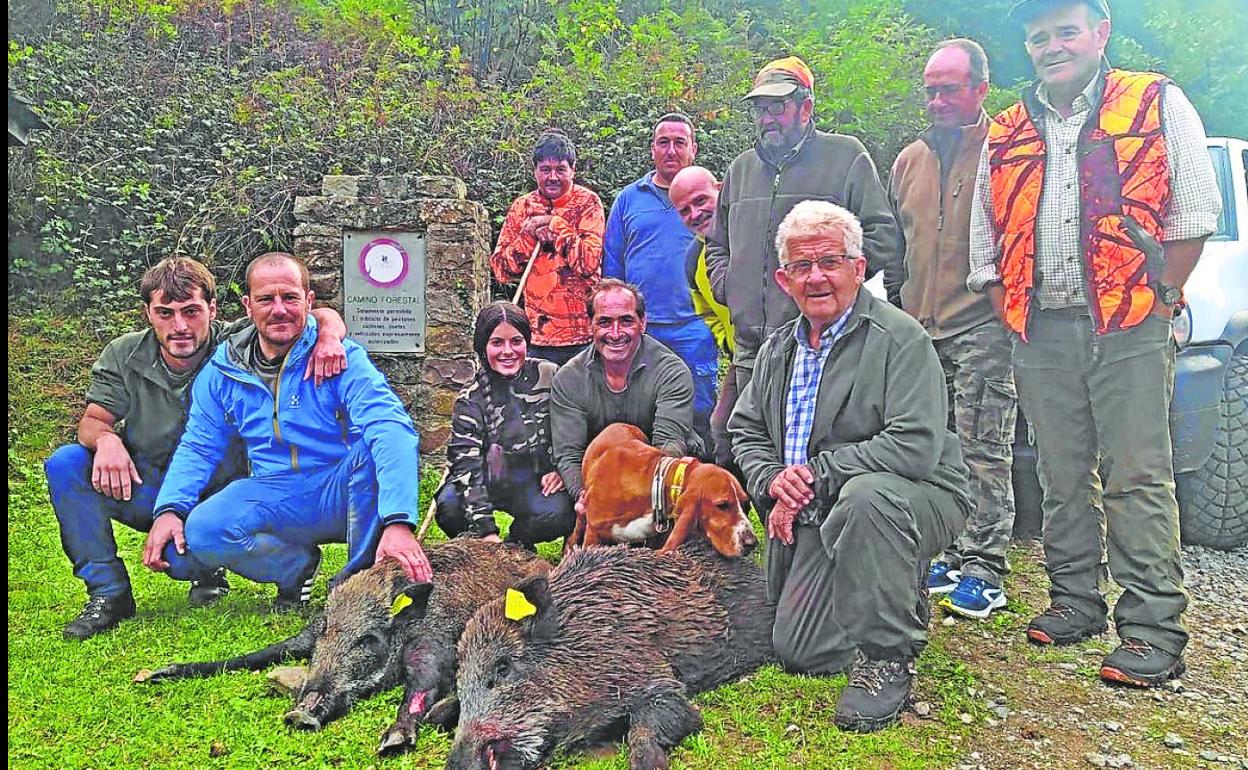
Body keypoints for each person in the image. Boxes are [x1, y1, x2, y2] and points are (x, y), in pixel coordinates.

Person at [968, 0, 1222, 686]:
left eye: (1065, 32)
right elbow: (985, 236)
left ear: (1100, 33)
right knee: (1059, 471)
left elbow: (1194, 212)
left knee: (1137, 475)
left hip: (1129, 324)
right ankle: (1077, 601)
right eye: (1039, 37)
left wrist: (1161, 297)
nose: (1052, 47)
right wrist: (1008, 308)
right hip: (1040, 329)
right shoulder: (1009, 127)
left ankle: (1152, 629)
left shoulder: (1154, 100)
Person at [729, 200, 970, 733]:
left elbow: (913, 447)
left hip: (915, 496)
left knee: (866, 500)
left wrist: (812, 475)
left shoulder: (901, 338)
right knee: (798, 649)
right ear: (783, 278)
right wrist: (773, 481)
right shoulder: (778, 349)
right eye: (801, 266)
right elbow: (744, 430)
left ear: (859, 269)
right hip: (820, 509)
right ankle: (886, 586)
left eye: (830, 262)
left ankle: (887, 653)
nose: (816, 278)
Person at [45, 257, 348, 640]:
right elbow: (92, 419)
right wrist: (106, 439)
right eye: (165, 313)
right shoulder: (124, 354)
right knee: (67, 463)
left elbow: (313, 312)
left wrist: (330, 336)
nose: (180, 327)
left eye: (191, 311)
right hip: (151, 486)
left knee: (180, 559)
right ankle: (108, 592)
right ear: (148, 313)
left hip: (223, 496)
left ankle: (287, 565)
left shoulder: (240, 341)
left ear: (213, 309)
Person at [148, 252, 433, 612]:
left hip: (341, 488)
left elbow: (389, 426)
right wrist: (169, 509)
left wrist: (398, 521)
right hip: (276, 492)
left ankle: (359, 583)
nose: (279, 309)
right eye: (266, 299)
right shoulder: (221, 371)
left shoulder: (341, 356)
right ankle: (294, 567)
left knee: (371, 450)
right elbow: (199, 446)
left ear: (309, 302)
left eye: (290, 297)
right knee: (203, 529)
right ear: (248, 306)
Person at [890, 38, 1018, 620]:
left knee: (984, 445)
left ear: (980, 90)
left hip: (981, 325)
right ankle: (946, 548)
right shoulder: (908, 159)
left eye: (950, 88)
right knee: (933, 447)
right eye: (931, 90)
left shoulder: (1007, 152)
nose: (938, 100)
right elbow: (896, 245)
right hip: (919, 328)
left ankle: (986, 564)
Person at [705, 55, 900, 396]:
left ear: (805, 108)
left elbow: (882, 235)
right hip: (752, 349)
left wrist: (828, 284)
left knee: (812, 445)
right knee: (745, 441)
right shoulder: (740, 170)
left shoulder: (845, 157)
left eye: (777, 107)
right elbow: (717, 244)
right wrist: (728, 286)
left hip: (822, 343)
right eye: (760, 110)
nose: (767, 119)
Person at [603, 113, 719, 449]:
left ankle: (699, 489)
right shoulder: (628, 200)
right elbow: (613, 269)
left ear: (693, 149)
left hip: (695, 327)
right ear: (652, 149)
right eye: (663, 142)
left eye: (679, 142)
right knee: (641, 413)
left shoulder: (709, 198)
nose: (671, 150)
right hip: (642, 329)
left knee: (700, 414)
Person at [550, 278, 704, 506]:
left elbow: (668, 443)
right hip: (598, 473)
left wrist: (643, 498)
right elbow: (569, 454)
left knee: (690, 472)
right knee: (551, 507)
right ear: (589, 325)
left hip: (656, 470)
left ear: (643, 322)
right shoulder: (569, 378)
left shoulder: (672, 371)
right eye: (604, 322)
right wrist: (585, 498)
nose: (615, 333)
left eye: (626, 321)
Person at [434, 301, 575, 549]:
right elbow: (466, 469)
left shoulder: (552, 375)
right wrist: (486, 531)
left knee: (560, 511)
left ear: (527, 343)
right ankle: (481, 548)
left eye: (516, 341)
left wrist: (561, 470)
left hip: (536, 479)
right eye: (497, 343)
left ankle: (517, 543)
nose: (507, 351)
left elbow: (575, 430)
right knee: (450, 507)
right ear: (482, 346)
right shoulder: (470, 399)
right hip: (488, 478)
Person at [491, 130, 605, 365]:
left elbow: (589, 262)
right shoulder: (522, 207)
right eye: (545, 170)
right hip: (534, 337)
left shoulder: (588, 203)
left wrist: (556, 225)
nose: (553, 177)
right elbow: (501, 271)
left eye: (561, 170)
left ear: (573, 170)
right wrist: (529, 235)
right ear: (535, 171)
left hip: (584, 336)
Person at [668, 165, 738, 472]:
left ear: (720, 189)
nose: (694, 214)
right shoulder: (693, 258)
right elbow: (707, 311)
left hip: (786, 352)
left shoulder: (752, 235)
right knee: (721, 430)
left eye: (700, 201)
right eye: (684, 210)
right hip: (744, 358)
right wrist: (729, 343)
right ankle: (736, 508)